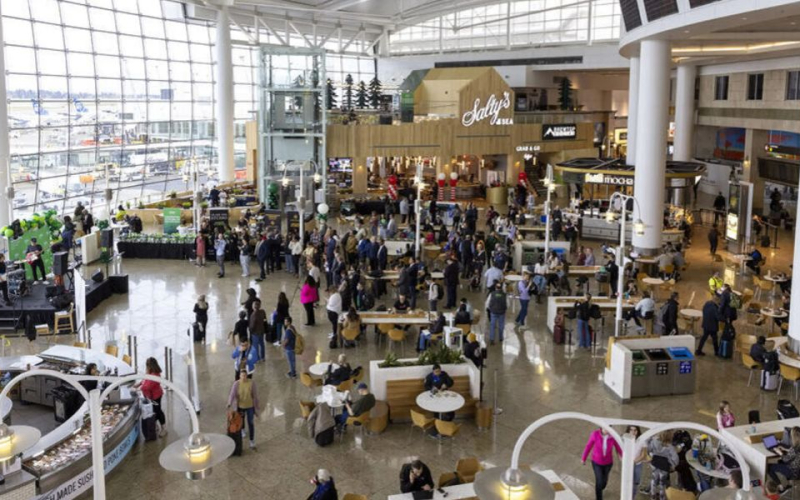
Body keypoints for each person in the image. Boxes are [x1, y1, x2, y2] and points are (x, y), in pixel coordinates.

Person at [581, 427, 622, 500]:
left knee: (604, 481)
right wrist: (583, 458)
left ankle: (601, 487)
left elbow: (618, 447)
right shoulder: (595, 434)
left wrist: (622, 455)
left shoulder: (613, 436)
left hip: (608, 463)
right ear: (601, 428)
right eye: (605, 429)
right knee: (599, 481)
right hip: (596, 462)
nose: (607, 431)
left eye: (608, 429)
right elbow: (588, 446)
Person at [228, 369, 260, 450]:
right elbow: (232, 394)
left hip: (250, 406)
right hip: (241, 406)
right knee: (241, 420)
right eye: (242, 376)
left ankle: (252, 440)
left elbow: (255, 395)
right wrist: (229, 403)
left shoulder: (251, 383)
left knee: (251, 423)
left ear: (247, 376)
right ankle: (242, 430)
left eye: (245, 376)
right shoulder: (236, 384)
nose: (244, 377)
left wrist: (256, 407)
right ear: (239, 376)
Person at [140, 358, 167, 437]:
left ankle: (163, 428)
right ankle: (155, 426)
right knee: (153, 411)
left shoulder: (155, 376)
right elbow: (144, 381)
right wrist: (139, 384)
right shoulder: (150, 373)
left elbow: (147, 386)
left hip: (155, 396)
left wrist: (139, 388)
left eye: (147, 365)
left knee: (158, 412)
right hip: (151, 396)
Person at [648, 430, 679, 500]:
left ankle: (653, 495)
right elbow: (675, 458)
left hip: (655, 464)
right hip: (664, 466)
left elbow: (649, 449)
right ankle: (662, 496)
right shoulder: (670, 446)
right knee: (662, 482)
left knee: (654, 479)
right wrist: (673, 465)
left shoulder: (654, 441)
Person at [767, 426, 800, 491]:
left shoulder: (794, 448)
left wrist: (779, 452)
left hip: (793, 472)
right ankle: (789, 484)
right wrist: (786, 449)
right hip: (798, 470)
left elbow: (785, 459)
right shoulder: (796, 448)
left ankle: (780, 486)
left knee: (770, 467)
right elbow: (795, 454)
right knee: (780, 462)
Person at [625, 425, 646, 498]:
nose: (633, 432)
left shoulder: (642, 440)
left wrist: (634, 461)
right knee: (627, 481)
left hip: (637, 464)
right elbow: (620, 450)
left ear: (638, 431)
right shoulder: (625, 439)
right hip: (627, 464)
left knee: (636, 482)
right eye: (631, 430)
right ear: (628, 431)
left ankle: (632, 497)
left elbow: (643, 454)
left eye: (635, 430)